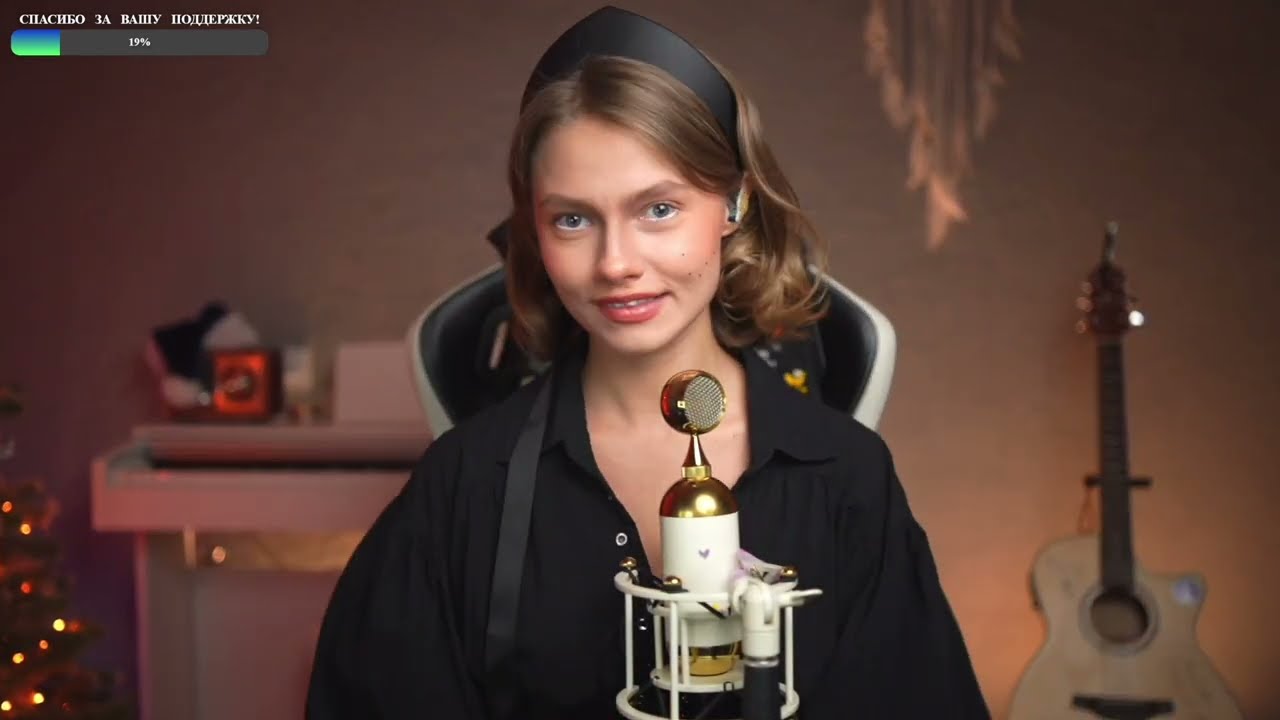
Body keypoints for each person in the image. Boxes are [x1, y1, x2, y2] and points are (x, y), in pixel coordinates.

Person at [306, 6, 988, 719]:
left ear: (734, 203)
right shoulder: (464, 484)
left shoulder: (846, 477)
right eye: (573, 219)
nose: (616, 263)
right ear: (535, 231)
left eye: (658, 209)